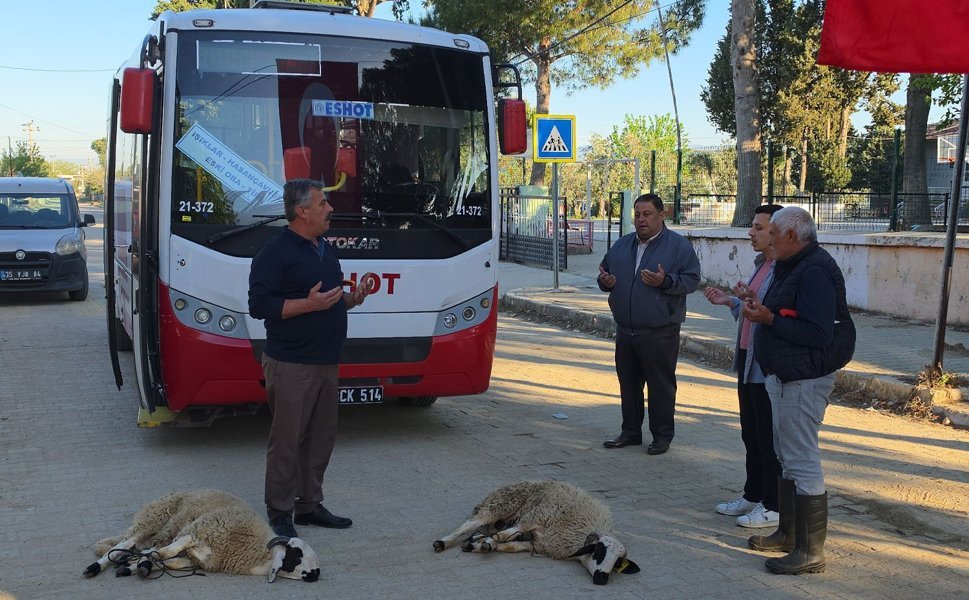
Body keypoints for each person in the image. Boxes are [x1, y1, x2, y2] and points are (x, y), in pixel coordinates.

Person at [248, 178, 375, 538]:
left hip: (326, 361)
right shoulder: (274, 252)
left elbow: (330, 298)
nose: (330, 209)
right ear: (302, 211)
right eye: (322, 204)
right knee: (287, 442)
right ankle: (280, 512)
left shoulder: (324, 248)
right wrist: (307, 304)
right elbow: (259, 305)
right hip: (291, 364)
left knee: (320, 440)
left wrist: (354, 298)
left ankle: (308, 505)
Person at [742, 206, 855, 575]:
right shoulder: (792, 265)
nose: (769, 239)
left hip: (804, 379)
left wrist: (770, 319)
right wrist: (763, 310)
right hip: (785, 376)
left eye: (773, 233)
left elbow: (818, 333)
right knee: (785, 454)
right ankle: (789, 535)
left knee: (802, 459)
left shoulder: (815, 270)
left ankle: (810, 552)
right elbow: (788, 313)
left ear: (792, 236)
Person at [598, 193, 701, 455]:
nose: (641, 220)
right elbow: (604, 270)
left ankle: (662, 436)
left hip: (660, 331)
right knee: (629, 385)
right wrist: (605, 282)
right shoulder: (622, 245)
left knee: (660, 387)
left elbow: (692, 280)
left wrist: (665, 282)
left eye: (647, 214)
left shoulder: (678, 246)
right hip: (626, 330)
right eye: (637, 215)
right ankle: (630, 432)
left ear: (661, 215)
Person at [704, 204, 783, 529]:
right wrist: (731, 301)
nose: (751, 233)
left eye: (758, 228)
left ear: (777, 232)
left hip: (766, 365)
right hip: (748, 359)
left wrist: (753, 302)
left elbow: (774, 313)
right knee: (751, 433)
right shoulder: (761, 264)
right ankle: (753, 495)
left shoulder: (785, 269)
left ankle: (774, 505)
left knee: (768, 438)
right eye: (752, 227)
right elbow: (754, 306)